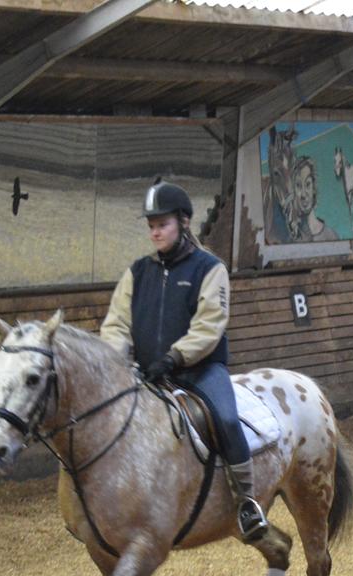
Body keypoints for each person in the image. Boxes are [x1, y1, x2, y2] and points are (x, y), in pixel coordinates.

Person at [99, 180, 268, 543]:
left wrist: (174, 357)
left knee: (225, 417)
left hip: (200, 370)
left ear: (184, 222)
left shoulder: (210, 269)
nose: (155, 232)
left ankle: (247, 501)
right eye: (151, 226)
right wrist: (115, 361)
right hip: (149, 374)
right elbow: (116, 324)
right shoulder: (137, 273)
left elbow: (210, 326)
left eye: (162, 224)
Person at [290, 156, 338, 243]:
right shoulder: (290, 238)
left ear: (314, 189)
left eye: (308, 184)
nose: (303, 194)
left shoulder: (330, 236)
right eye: (298, 186)